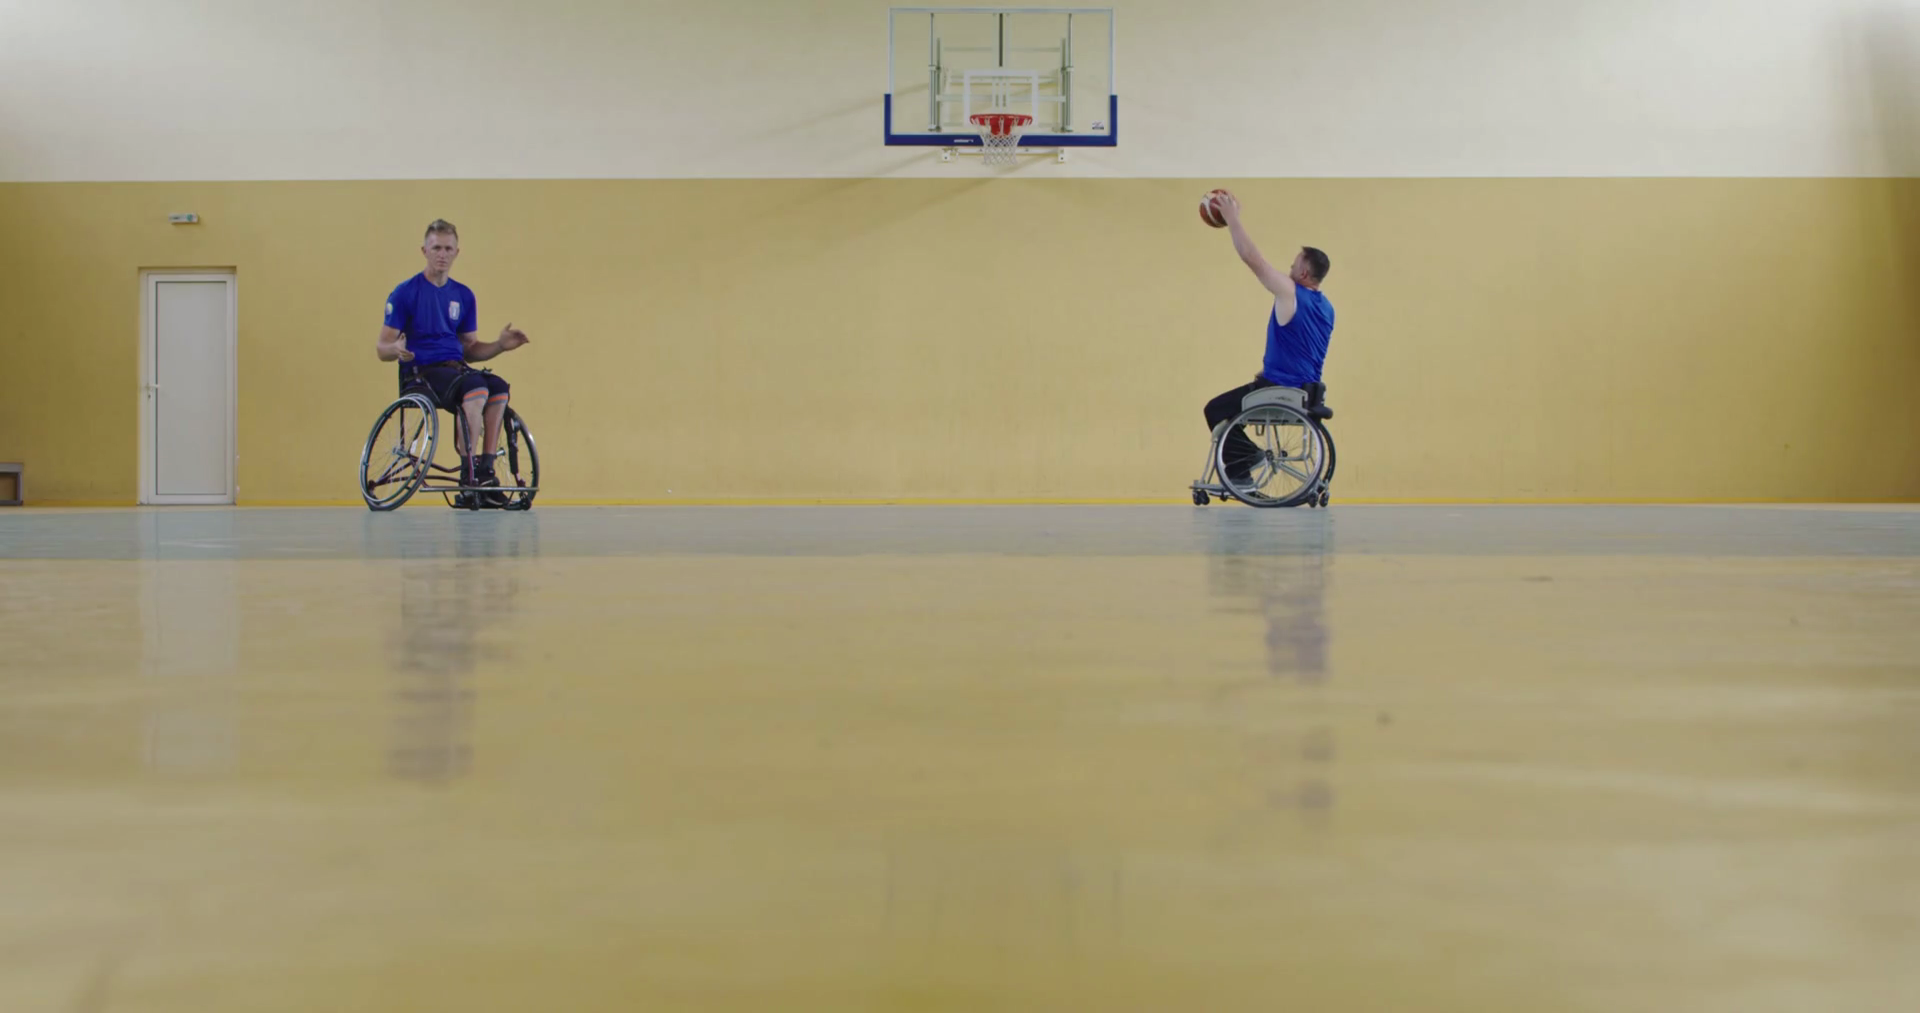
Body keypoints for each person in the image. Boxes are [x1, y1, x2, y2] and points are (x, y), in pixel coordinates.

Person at [375, 219, 530, 503]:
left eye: (448, 249)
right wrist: (395, 348)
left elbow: (470, 349)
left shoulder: (463, 295)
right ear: (424, 251)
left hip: (456, 369)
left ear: (457, 252)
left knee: (497, 387)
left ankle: (486, 470)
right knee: (474, 387)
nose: (442, 254)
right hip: (421, 372)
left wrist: (499, 346)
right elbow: (381, 348)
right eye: (436, 248)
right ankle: (468, 475)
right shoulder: (405, 292)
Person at [1203, 191, 1334, 486]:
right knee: (1230, 404)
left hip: (1278, 389)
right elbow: (1300, 347)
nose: (1289, 269)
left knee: (1214, 409)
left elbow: (1254, 260)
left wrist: (1232, 219)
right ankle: (1243, 464)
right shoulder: (1327, 308)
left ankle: (1245, 462)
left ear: (1303, 272)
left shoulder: (1291, 293)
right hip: (1307, 391)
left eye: (1293, 265)